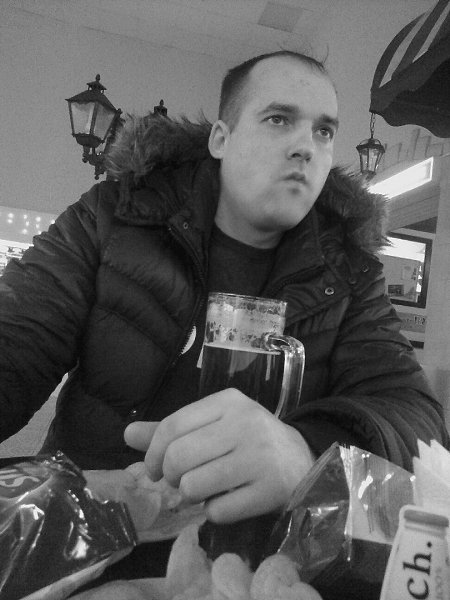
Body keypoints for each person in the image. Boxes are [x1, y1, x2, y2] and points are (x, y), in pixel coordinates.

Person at [0, 50, 448, 582]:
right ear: (220, 138)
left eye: (324, 131)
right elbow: (16, 337)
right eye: (278, 119)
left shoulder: (350, 275)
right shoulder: (114, 217)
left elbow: (418, 425)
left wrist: (306, 451)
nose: (306, 146)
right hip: (83, 556)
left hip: (244, 575)